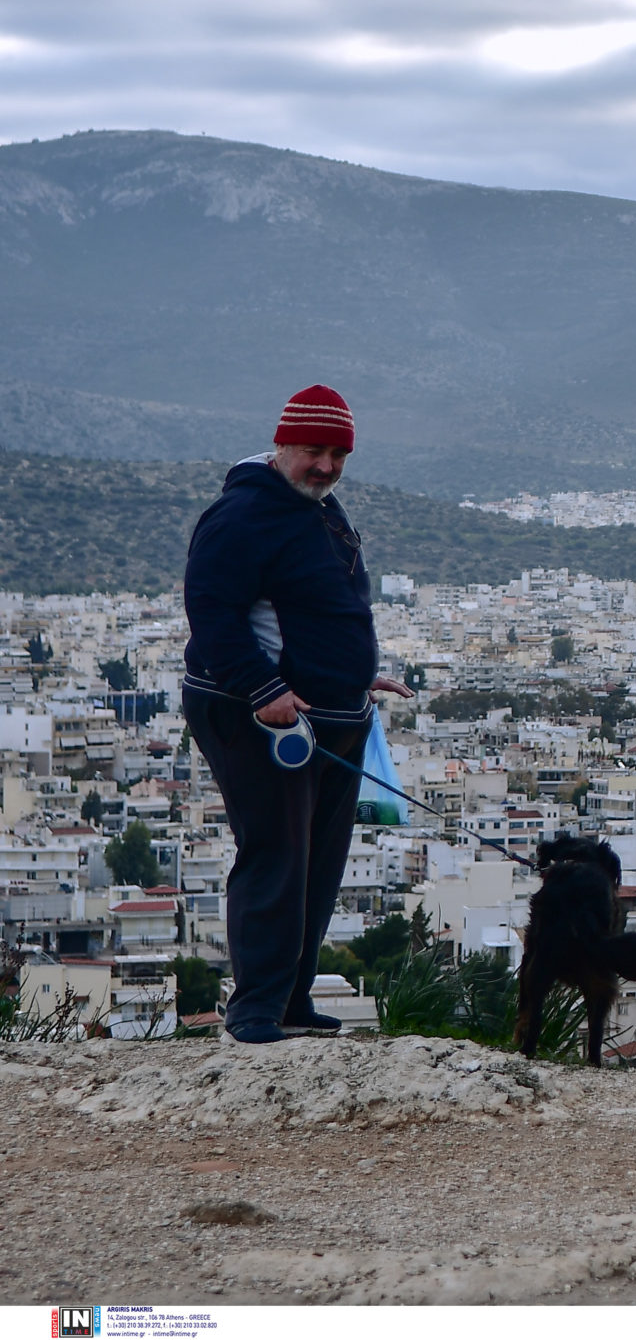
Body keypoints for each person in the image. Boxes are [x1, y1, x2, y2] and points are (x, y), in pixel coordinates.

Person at [181, 384, 415, 1043]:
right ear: (283, 443)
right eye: (315, 450)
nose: (327, 465)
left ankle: (291, 1000)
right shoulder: (241, 516)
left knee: (318, 863)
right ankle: (254, 1010)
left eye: (338, 453)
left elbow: (309, 610)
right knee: (277, 854)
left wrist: (354, 675)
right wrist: (262, 688)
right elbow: (213, 612)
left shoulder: (315, 509)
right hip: (262, 718)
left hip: (332, 715)